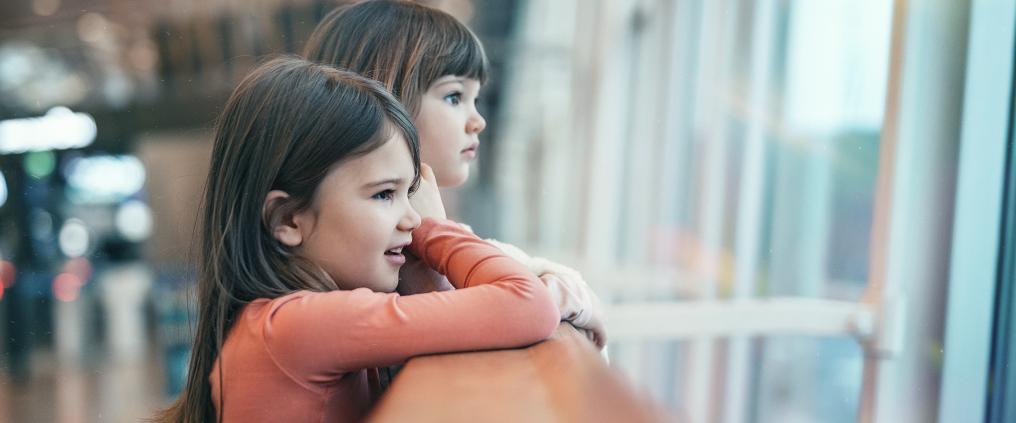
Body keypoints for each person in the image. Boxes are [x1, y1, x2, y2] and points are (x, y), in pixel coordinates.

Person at [154, 57, 560, 422]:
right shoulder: (298, 326)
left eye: (410, 193)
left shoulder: (292, 323)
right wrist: (434, 229)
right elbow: (527, 303)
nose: (411, 217)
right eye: (384, 194)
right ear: (288, 218)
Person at [303, 0, 606, 348]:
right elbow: (518, 303)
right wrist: (569, 297)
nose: (478, 121)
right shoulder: (373, 252)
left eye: (475, 99)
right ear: (385, 99)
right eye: (454, 97)